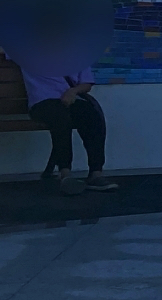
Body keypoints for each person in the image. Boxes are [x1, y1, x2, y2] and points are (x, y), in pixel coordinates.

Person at [16, 51, 116, 193]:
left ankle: (96, 173)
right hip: (42, 102)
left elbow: (86, 84)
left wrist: (73, 91)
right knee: (60, 118)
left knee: (91, 115)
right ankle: (65, 173)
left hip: (70, 99)